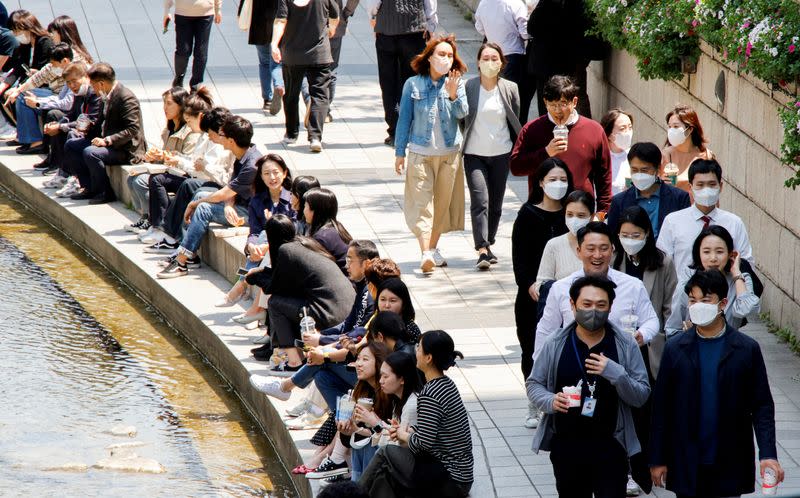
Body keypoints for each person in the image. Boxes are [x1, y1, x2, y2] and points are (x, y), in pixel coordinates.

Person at [650, 269, 783, 498]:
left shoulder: (746, 349)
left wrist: (768, 454)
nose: (697, 305)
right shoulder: (676, 349)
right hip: (687, 459)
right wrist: (657, 458)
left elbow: (762, 406)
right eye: (692, 300)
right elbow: (662, 407)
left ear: (722, 303)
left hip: (730, 457)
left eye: (705, 300)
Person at [526, 275, 650, 497]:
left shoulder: (624, 343)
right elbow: (534, 384)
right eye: (586, 304)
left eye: (601, 305)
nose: (594, 311)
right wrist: (551, 401)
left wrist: (616, 373)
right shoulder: (556, 342)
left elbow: (641, 395)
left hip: (612, 444)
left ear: (611, 307)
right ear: (573, 305)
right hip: (567, 445)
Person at [611, 205, 677, 496]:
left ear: (647, 234)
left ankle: (650, 465)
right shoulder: (612, 260)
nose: (629, 239)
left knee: (648, 411)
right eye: (624, 235)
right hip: (617, 347)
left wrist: (651, 335)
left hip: (650, 348)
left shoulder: (663, 262)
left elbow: (668, 308)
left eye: (635, 234)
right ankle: (626, 469)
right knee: (620, 411)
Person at [360, 330, 473, 497]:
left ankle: (351, 493)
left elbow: (423, 444)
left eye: (419, 348)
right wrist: (409, 433)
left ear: (428, 358)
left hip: (450, 478)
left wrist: (402, 434)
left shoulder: (430, 393)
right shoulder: (446, 384)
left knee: (386, 453)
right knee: (384, 476)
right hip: (459, 474)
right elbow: (433, 434)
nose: (415, 351)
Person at [395, 35, 468, 274]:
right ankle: (426, 252)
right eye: (441, 54)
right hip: (420, 153)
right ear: (429, 58)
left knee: (442, 205)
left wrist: (453, 94)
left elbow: (463, 114)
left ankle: (433, 248)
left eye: (449, 55)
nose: (445, 59)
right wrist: (399, 152)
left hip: (449, 155)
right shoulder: (413, 85)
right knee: (422, 203)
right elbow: (404, 119)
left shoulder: (458, 83)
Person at [534, 222, 660, 361]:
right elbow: (546, 330)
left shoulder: (633, 285)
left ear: (612, 250)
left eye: (604, 248)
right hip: (574, 361)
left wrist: (642, 334)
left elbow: (651, 320)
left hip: (619, 363)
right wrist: (539, 366)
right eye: (591, 249)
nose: (597, 255)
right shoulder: (560, 288)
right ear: (578, 251)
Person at [156, 115, 260, 277]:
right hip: (241, 206)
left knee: (203, 206)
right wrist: (228, 205)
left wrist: (193, 205)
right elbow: (232, 188)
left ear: (231, 141)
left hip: (253, 214)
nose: (219, 138)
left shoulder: (252, 165)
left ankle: (182, 261)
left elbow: (225, 192)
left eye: (222, 135)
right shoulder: (243, 155)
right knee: (202, 195)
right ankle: (188, 253)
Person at [253, 215, 355, 374]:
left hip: (330, 313)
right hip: (345, 309)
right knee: (289, 304)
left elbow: (276, 288)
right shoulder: (306, 242)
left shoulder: (285, 250)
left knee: (275, 303)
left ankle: (294, 363)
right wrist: (263, 273)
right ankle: (298, 355)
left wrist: (255, 277)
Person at [511, 157, 572, 405]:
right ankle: (534, 399)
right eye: (553, 179)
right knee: (532, 349)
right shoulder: (527, 214)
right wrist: (529, 285)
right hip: (533, 297)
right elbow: (520, 259)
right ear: (541, 182)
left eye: (563, 179)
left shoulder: (572, 214)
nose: (559, 184)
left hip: (568, 295)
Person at [509, 75, 612, 212]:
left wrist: (601, 215)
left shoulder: (594, 130)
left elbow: (604, 178)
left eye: (563, 104)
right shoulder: (531, 129)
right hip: (542, 212)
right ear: (545, 102)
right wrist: (545, 153)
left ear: (574, 102)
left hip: (581, 213)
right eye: (552, 105)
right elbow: (516, 167)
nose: (558, 111)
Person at [462, 42, 521, 269]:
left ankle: (490, 241)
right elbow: (460, 117)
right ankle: (482, 248)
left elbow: (514, 117)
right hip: (474, 154)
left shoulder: (510, 88)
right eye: (485, 58)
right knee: (480, 200)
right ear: (478, 62)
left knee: (496, 204)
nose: (489, 63)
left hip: (501, 154)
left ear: (501, 63)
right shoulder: (469, 87)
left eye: (494, 59)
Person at [136, 88, 216, 239]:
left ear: (200, 117)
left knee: (166, 181)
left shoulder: (205, 136)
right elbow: (194, 162)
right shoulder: (200, 135)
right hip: (191, 175)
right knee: (150, 179)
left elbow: (201, 169)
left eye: (190, 122)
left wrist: (178, 160)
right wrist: (175, 158)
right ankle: (157, 226)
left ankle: (166, 231)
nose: (189, 125)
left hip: (202, 181)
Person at [150, 106, 235, 250]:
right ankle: (170, 236)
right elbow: (198, 163)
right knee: (165, 181)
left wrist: (199, 166)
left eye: (190, 121)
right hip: (213, 183)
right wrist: (177, 159)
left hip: (221, 188)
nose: (208, 136)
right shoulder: (210, 139)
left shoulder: (224, 145)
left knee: (192, 188)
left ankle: (181, 244)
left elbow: (227, 181)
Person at [219, 153, 295, 310]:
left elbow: (294, 233)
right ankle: (245, 289)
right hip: (263, 251)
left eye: (276, 172)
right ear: (261, 176)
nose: (272, 177)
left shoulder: (292, 200)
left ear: (285, 173)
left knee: (264, 235)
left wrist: (268, 241)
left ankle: (240, 285)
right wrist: (252, 246)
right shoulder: (257, 200)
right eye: (266, 173)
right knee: (258, 239)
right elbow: (253, 231)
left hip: (288, 248)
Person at [63, 62, 147, 205]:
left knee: (91, 152)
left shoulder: (126, 97)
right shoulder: (105, 94)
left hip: (126, 149)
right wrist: (88, 128)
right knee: (71, 145)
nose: (92, 88)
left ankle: (104, 192)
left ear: (101, 84)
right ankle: (87, 187)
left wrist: (107, 140)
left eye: (93, 85)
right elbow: (101, 122)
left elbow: (132, 129)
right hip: (107, 142)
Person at [656, 158, 753, 280]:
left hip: (724, 295)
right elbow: (662, 265)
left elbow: (746, 263)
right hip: (683, 295)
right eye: (700, 185)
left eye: (712, 185)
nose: (706, 190)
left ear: (720, 186)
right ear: (690, 187)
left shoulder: (734, 223)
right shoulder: (673, 221)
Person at [126, 86, 199, 236]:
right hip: (168, 170)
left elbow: (187, 160)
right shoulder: (169, 129)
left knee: (142, 181)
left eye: (169, 103)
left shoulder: (190, 132)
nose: (165, 108)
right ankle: (146, 217)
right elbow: (164, 159)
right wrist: (154, 158)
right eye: (164, 103)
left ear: (181, 105)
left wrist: (165, 156)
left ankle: (157, 223)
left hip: (181, 174)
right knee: (131, 177)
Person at [665, 226, 760, 337]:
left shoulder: (740, 279)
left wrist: (737, 274)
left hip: (728, 346)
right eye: (706, 252)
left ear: (730, 254)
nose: (713, 258)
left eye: (719, 252)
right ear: (698, 253)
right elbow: (672, 328)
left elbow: (747, 310)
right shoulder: (688, 278)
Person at [271, 0, 339, 153]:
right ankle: (315, 137)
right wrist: (331, 29)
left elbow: (281, 20)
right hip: (319, 54)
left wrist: (274, 44)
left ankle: (291, 133)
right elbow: (335, 16)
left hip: (292, 53)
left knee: (291, 94)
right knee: (320, 95)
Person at [370, 0, 436, 146]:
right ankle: (412, 128)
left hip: (387, 28)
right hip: (414, 29)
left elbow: (375, 3)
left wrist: (374, 16)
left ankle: (394, 130)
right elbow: (430, 4)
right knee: (414, 81)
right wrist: (431, 24)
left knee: (389, 81)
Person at [522, 0, 596, 121]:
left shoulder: (554, 4)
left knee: (561, 103)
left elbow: (532, 28)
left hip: (559, 65)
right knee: (558, 104)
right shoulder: (571, 5)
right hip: (561, 64)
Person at [606, 142, 690, 238]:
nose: (639, 174)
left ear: (658, 169)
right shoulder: (619, 202)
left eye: (644, 170)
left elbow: (684, 235)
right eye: (634, 170)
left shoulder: (679, 199)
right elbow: (612, 237)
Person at [41, 63, 102, 196]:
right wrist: (58, 124)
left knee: (71, 135)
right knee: (59, 126)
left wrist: (61, 126)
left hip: (95, 134)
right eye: (68, 83)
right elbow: (72, 114)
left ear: (86, 77)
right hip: (83, 129)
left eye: (74, 81)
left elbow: (90, 121)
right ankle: (62, 173)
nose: (72, 86)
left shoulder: (93, 93)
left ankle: (75, 179)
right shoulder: (78, 93)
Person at [7, 43, 77, 155]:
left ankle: (35, 141)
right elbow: (36, 79)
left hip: (74, 111)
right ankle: (30, 139)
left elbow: (68, 103)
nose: (52, 66)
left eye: (54, 64)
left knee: (50, 111)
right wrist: (19, 91)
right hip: (57, 97)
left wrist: (39, 102)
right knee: (24, 95)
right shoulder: (62, 70)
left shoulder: (76, 74)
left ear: (64, 61)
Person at [336, 341, 392, 480]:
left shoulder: (390, 392)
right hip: (363, 453)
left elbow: (386, 435)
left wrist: (372, 422)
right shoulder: (361, 389)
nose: (358, 364)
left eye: (365, 359)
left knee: (368, 444)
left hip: (386, 452)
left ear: (380, 362)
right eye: (358, 359)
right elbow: (353, 437)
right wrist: (347, 429)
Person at [535, 189, 595, 298]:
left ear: (591, 216)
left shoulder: (601, 246)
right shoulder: (554, 245)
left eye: (581, 215)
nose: (574, 220)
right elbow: (541, 285)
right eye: (570, 215)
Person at [164, 0, 222, 89]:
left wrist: (218, 9)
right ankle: (179, 78)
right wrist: (167, 10)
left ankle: (196, 84)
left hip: (205, 13)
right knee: (183, 49)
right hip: (182, 13)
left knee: (201, 50)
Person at [473, 0, 527, 92]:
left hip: (493, 54)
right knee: (511, 93)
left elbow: (479, 27)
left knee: (494, 91)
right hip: (513, 53)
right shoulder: (517, 4)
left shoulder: (483, 3)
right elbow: (525, 33)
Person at [239, 0, 283, 114]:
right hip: (279, 23)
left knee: (264, 63)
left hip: (259, 23)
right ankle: (278, 84)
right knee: (277, 61)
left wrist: (240, 13)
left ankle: (267, 99)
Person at [660, 104, 713, 191]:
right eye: (669, 127)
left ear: (690, 129)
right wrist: (661, 183)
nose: (671, 130)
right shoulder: (666, 154)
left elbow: (714, 187)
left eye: (676, 126)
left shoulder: (707, 156)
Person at [304, 187, 352, 272]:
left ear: (315, 211)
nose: (304, 211)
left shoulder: (320, 238)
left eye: (305, 206)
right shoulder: (337, 226)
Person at [600, 108, 633, 195]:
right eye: (622, 129)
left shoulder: (635, 156)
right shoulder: (600, 157)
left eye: (630, 127)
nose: (628, 132)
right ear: (610, 135)